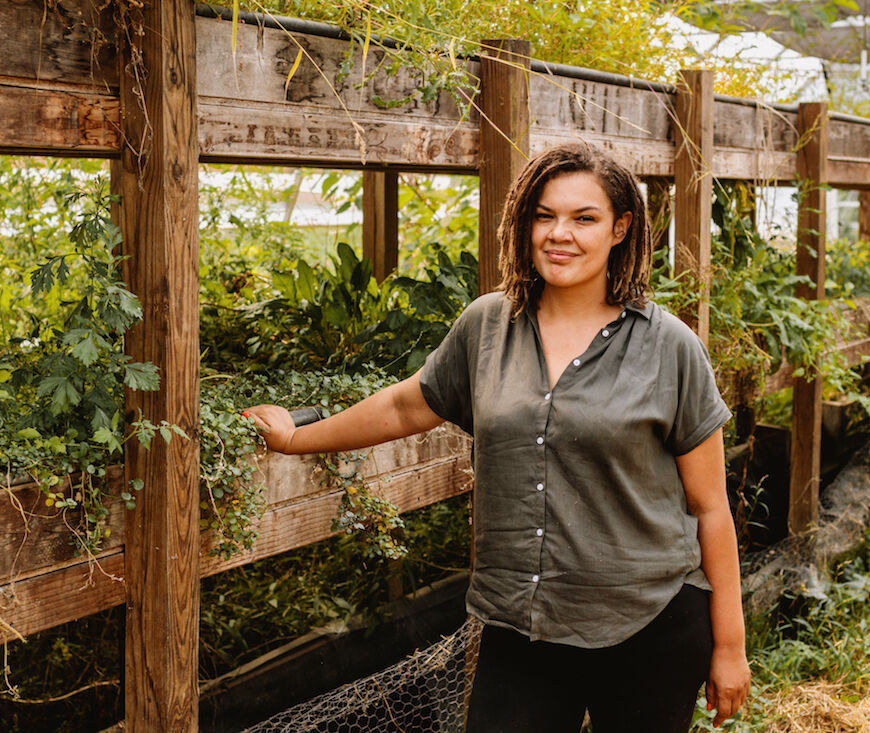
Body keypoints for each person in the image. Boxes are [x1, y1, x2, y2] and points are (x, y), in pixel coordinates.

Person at [245, 142, 750, 731]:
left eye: (584, 218)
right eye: (544, 215)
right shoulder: (488, 325)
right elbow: (408, 405)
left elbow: (710, 507)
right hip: (520, 626)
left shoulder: (669, 347)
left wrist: (730, 647)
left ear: (621, 228)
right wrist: (294, 438)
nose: (559, 234)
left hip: (649, 622)